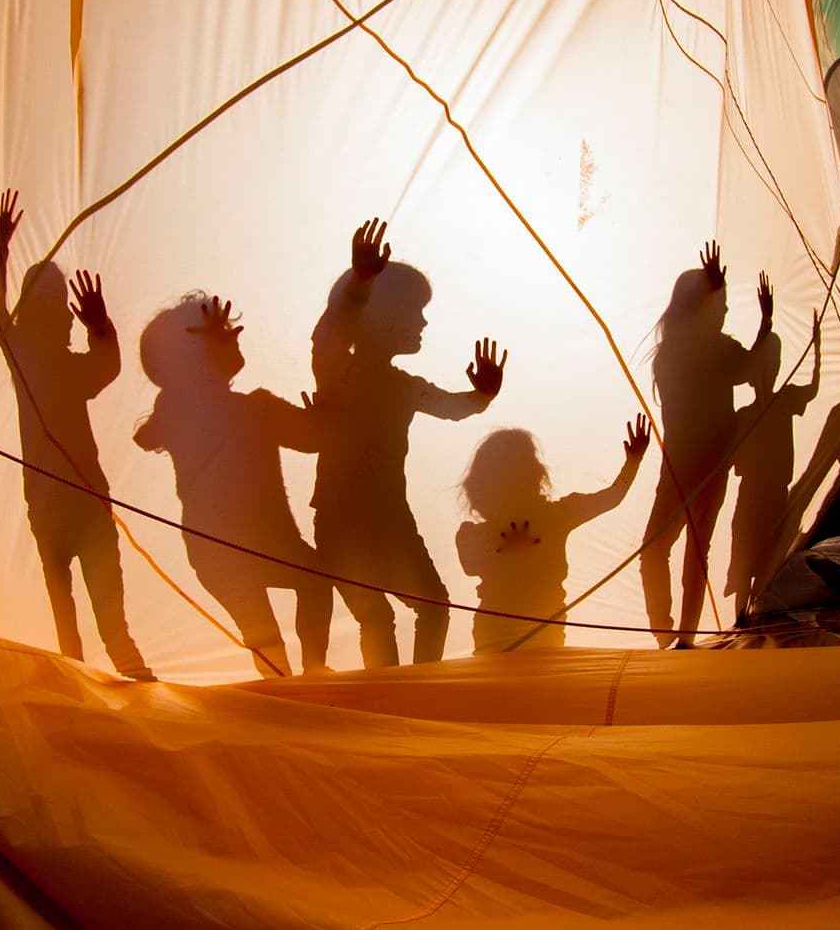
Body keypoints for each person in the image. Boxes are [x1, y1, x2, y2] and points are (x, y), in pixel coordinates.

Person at [308, 217, 507, 668]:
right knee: (384, 614)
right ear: (381, 316)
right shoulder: (340, 372)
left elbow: (452, 407)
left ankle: (411, 693)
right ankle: (399, 696)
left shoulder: (401, 385)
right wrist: (359, 282)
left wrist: (483, 395)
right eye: (415, 310)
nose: (423, 320)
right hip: (344, 520)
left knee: (426, 607)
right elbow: (329, 335)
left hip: (389, 520)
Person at [0, 188, 154, 680]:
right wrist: (100, 328)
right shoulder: (30, 354)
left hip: (67, 506)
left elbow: (104, 367)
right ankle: (123, 691)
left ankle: (109, 692)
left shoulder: (37, 357)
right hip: (70, 506)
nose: (66, 317)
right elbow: (104, 366)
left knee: (90, 625)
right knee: (99, 625)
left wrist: (101, 326)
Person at [135, 293, 329, 677]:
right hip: (226, 550)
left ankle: (309, 674)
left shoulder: (251, 409)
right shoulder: (225, 411)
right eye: (223, 333)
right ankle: (307, 676)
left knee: (310, 587)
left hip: (235, 548)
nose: (234, 334)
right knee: (280, 623)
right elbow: (151, 431)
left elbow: (314, 439)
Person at [641, 240, 771, 648]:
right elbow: (747, 368)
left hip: (702, 467)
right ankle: (670, 637)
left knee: (686, 553)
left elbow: (750, 369)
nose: (728, 312)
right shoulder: (685, 353)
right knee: (660, 553)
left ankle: (681, 638)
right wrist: (763, 324)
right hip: (683, 469)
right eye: (722, 304)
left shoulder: (705, 350)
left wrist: (763, 323)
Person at [458, 416, 649, 654]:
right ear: (535, 473)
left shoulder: (475, 534)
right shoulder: (557, 516)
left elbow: (470, 565)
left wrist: (633, 462)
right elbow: (613, 497)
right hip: (529, 632)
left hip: (513, 632)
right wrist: (633, 462)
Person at [725, 312, 820, 616]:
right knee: (745, 555)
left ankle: (753, 611)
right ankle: (743, 615)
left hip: (769, 493)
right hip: (754, 493)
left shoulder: (783, 400)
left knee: (763, 555)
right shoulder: (746, 416)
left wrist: (817, 348)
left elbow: (814, 389)